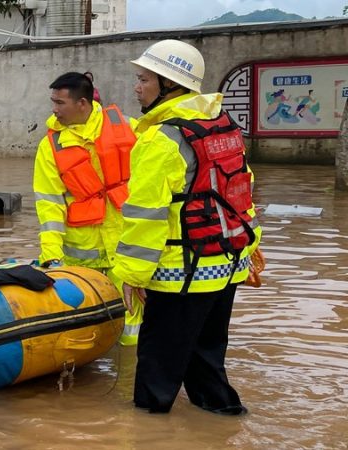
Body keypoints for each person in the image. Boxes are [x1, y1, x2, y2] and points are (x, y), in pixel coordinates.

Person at [112, 39, 262, 415]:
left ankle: (146, 435)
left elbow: (145, 216)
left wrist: (131, 274)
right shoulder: (222, 124)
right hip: (226, 266)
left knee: (156, 372)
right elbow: (241, 191)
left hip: (183, 272)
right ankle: (224, 420)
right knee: (206, 359)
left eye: (143, 79)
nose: (136, 86)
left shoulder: (161, 140)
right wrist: (251, 245)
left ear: (169, 85)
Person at [32, 72, 141, 346]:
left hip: (127, 250)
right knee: (82, 333)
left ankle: (127, 380)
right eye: (52, 102)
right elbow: (49, 206)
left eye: (60, 103)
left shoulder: (130, 129)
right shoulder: (51, 146)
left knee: (132, 330)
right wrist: (51, 258)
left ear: (83, 103)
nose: (54, 109)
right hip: (79, 256)